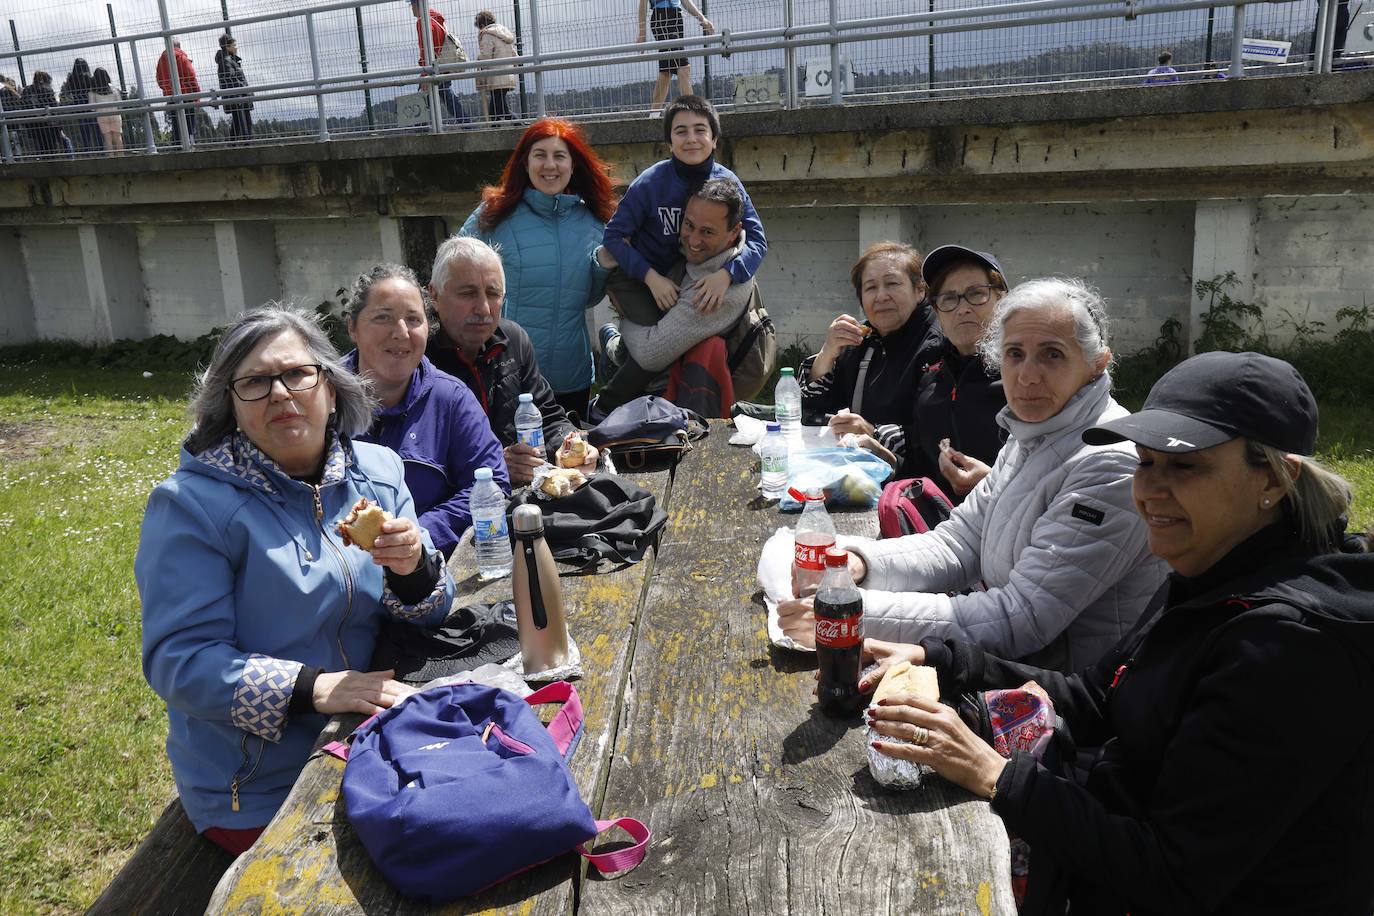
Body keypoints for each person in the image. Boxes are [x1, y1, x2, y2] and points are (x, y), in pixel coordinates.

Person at [864, 350, 1374, 914]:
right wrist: (942, 659)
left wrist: (998, 777)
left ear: (1276, 480)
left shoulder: (1288, 647)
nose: (1150, 489)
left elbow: (1170, 875)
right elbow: (1102, 692)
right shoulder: (1214, 566)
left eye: (1185, 466)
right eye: (1146, 462)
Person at [135, 306, 456, 856]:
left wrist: (412, 571)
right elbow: (179, 661)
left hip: (369, 736)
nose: (280, 394)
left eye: (297, 374)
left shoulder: (378, 473)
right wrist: (316, 687)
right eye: (254, 382)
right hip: (260, 786)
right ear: (231, 405)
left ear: (331, 388)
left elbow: (431, 611)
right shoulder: (192, 507)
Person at [779, 278, 1168, 672]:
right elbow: (959, 543)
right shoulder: (1036, 432)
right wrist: (859, 562)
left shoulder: (1108, 464)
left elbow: (1023, 617)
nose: (1028, 376)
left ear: (1096, 365)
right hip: (1010, 663)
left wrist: (851, 611)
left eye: (1052, 355)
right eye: (1015, 353)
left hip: (1065, 695)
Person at [342, 264, 509, 558]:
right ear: (352, 327)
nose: (401, 333)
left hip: (428, 569)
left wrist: (418, 534)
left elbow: (490, 483)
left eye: (413, 319)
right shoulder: (318, 398)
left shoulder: (450, 399)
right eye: (383, 317)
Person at [459, 118, 616, 419]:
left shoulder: (593, 220)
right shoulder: (495, 213)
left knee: (571, 463)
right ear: (524, 163)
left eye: (559, 156)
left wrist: (603, 264)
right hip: (508, 374)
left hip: (573, 375)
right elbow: (452, 267)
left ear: (573, 164)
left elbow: (588, 297)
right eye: (540, 155)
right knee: (514, 462)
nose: (550, 165)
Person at [601, 95, 767, 378]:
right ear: (669, 143)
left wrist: (727, 274)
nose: (691, 139)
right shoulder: (650, 183)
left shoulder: (728, 183)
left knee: (680, 347)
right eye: (681, 131)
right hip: (643, 279)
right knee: (654, 353)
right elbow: (613, 236)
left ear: (714, 139)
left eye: (700, 130)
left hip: (687, 278)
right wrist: (651, 278)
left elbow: (757, 240)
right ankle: (613, 353)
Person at [425, 236, 600, 486]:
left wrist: (568, 444)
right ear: (435, 295)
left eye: (493, 293)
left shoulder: (513, 340)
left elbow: (547, 416)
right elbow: (417, 462)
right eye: (467, 293)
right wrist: (493, 464)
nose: (484, 309)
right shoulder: (418, 359)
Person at [596, 178, 768, 414]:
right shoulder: (715, 255)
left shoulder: (714, 294)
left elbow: (650, 354)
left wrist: (623, 320)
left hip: (677, 393)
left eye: (707, 232)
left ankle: (607, 373)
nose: (694, 240)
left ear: (734, 232)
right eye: (688, 225)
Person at [857, 245, 1009, 503]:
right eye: (949, 298)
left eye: (977, 294)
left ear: (1002, 299)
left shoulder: (1024, 377)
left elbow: (1059, 473)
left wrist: (994, 483)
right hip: (938, 527)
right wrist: (884, 456)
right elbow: (922, 463)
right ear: (937, 309)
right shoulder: (933, 374)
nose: (962, 308)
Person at [798, 241, 937, 437]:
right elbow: (810, 411)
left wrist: (873, 433)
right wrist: (827, 353)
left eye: (892, 284)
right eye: (871, 287)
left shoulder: (938, 344)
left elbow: (935, 434)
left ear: (920, 290)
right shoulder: (861, 338)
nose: (881, 296)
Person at [637, 0, 714, 116]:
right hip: (662, 18)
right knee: (683, 67)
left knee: (666, 72)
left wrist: (702, 19)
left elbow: (684, 1)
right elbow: (642, 5)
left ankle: (653, 116)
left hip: (676, 18)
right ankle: (692, 113)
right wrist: (642, 33)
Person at [409, 0, 467, 124]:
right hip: (443, 64)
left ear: (415, 5)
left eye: (411, 5)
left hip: (434, 66)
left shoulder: (422, 21)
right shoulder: (436, 19)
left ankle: (419, 130)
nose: (411, 8)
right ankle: (466, 123)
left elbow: (426, 48)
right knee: (444, 95)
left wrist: (425, 71)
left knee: (423, 100)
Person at [155, 39, 201, 145]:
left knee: (176, 124)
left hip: (171, 97)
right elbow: (191, 76)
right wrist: (197, 95)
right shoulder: (181, 57)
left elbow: (159, 79)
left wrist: (167, 89)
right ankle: (189, 145)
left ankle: (177, 147)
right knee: (189, 124)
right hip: (186, 96)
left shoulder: (162, 60)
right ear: (179, 46)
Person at [474, 10, 516, 121]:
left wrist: (477, 60)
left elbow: (486, 56)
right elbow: (514, 54)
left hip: (495, 76)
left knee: (501, 108)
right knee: (496, 106)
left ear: (482, 25)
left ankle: (517, 123)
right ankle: (493, 127)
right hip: (508, 73)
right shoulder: (503, 33)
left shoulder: (487, 35)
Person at [216, 33, 253, 142]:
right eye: (234, 45)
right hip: (238, 98)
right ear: (228, 47)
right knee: (244, 125)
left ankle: (235, 146)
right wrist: (244, 88)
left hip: (239, 97)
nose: (236, 47)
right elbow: (229, 78)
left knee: (238, 124)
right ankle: (244, 146)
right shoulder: (227, 61)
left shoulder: (229, 60)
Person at [18, 71, 63, 157]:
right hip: (49, 124)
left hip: (33, 124)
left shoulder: (27, 90)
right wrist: (59, 127)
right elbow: (54, 108)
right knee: (51, 149)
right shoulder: (47, 90)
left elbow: (23, 106)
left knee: (39, 149)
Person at [60, 58, 100, 152]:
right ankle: (100, 150)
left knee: (84, 130)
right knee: (96, 129)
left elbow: (69, 91)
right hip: (91, 105)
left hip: (79, 106)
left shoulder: (72, 78)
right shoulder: (89, 78)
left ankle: (87, 151)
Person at [89, 68, 124, 156]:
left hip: (102, 116)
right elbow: (120, 103)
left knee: (107, 138)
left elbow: (92, 107)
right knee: (118, 137)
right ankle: (121, 157)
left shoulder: (92, 91)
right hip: (115, 114)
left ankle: (111, 158)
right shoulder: (114, 88)